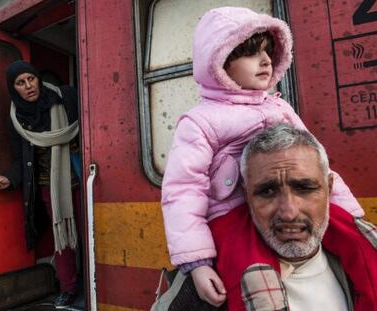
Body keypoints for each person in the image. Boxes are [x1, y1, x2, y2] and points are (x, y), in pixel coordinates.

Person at [161, 7, 364, 306]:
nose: (266, 61)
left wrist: (349, 214)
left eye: (268, 52)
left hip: (282, 203)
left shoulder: (281, 108)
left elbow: (317, 165)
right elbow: (183, 189)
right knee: (252, 275)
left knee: (361, 244)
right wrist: (198, 262)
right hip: (230, 215)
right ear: (219, 63)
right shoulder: (200, 121)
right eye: (250, 53)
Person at [209, 123, 377, 310]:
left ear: (329, 189)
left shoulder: (363, 262)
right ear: (247, 196)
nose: (289, 213)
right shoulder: (206, 286)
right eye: (268, 191)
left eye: (304, 188)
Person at [0, 60, 81, 308]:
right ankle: (69, 287)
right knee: (62, 237)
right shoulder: (16, 119)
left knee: (93, 229)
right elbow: (21, 159)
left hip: (81, 178)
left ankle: (104, 283)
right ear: (13, 88)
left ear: (38, 78)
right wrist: (9, 178)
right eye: (20, 83)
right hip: (47, 185)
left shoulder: (66, 98)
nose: (28, 86)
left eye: (31, 78)